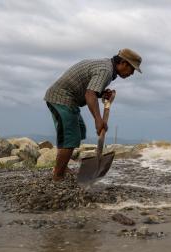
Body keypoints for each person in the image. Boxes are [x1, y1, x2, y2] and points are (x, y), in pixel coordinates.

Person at [44, 48, 142, 181]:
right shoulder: (106, 71)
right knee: (70, 137)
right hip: (61, 98)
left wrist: (102, 94)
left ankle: (61, 167)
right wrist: (98, 120)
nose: (132, 73)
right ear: (124, 63)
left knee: (78, 131)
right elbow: (90, 94)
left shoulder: (108, 68)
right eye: (132, 69)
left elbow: (92, 91)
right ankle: (58, 175)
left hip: (70, 100)